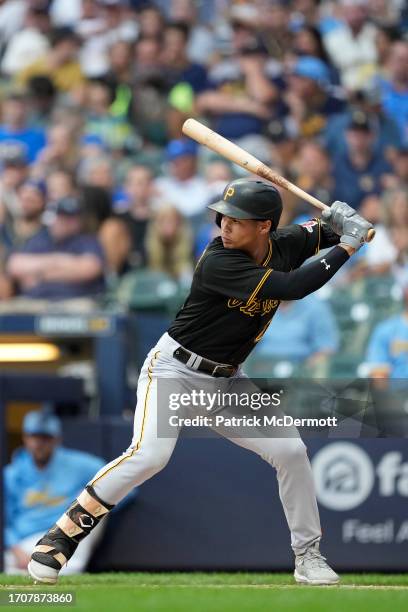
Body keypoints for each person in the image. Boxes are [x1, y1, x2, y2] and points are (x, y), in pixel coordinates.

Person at [27, 178, 373, 586]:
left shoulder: (286, 242)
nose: (224, 226)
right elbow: (295, 285)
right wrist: (347, 244)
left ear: (264, 226)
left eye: (237, 220)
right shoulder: (218, 260)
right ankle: (60, 538)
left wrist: (341, 220)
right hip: (175, 371)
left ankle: (308, 556)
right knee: (149, 456)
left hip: (228, 383)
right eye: (222, 217)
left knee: (291, 451)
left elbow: (328, 229)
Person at [4, 410, 105, 575]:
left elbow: (118, 484)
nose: (39, 443)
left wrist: (85, 498)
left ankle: (57, 570)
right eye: (34, 436)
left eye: (45, 438)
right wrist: (16, 550)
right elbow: (5, 523)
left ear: (57, 439)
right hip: (25, 543)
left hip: (64, 533)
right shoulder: (12, 474)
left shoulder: (78, 464)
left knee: (96, 502)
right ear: (25, 438)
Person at [7, 196, 105, 300]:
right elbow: (14, 265)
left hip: (76, 302)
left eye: (71, 218)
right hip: (35, 302)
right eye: (61, 217)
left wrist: (41, 276)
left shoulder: (86, 240)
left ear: (79, 221)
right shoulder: (42, 238)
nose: (65, 222)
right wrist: (62, 261)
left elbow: (89, 269)